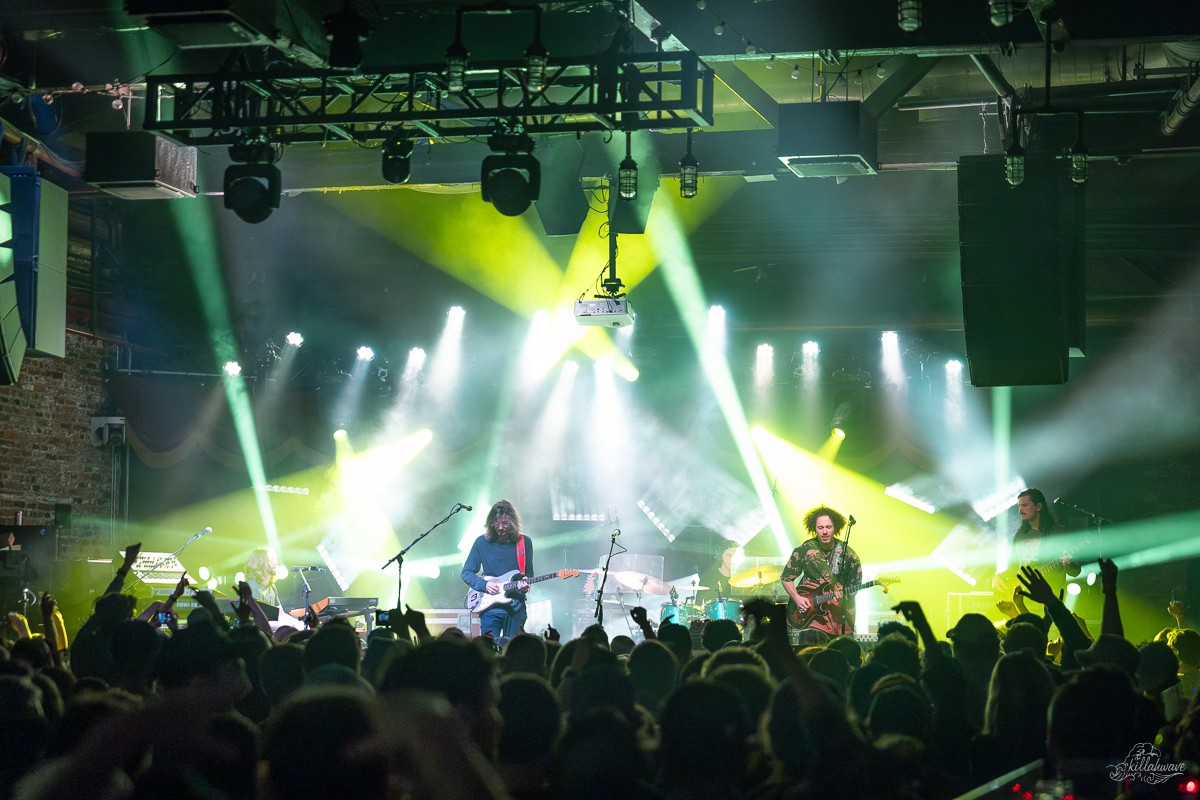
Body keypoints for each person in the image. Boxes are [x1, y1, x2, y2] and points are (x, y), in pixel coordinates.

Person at [779, 506, 862, 638]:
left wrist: (844, 595)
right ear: (814, 529)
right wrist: (797, 598)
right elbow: (786, 578)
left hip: (838, 619)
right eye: (820, 527)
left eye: (828, 527)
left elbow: (855, 585)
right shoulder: (804, 549)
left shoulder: (849, 555)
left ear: (835, 528)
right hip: (812, 618)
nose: (824, 531)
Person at [460, 499, 532, 642]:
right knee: (488, 650)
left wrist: (525, 586)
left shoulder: (524, 542)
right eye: (496, 523)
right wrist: (484, 585)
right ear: (490, 523)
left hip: (516, 607)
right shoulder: (481, 542)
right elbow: (466, 572)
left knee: (513, 652)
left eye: (505, 523)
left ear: (512, 522)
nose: (500, 527)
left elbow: (528, 574)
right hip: (490, 609)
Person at [994, 488, 1079, 596]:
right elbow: (1014, 567)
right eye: (1019, 506)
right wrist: (998, 576)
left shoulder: (1059, 532)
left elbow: (1075, 572)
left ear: (1038, 506)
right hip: (1025, 599)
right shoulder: (1020, 535)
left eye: (1024, 505)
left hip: (1052, 599)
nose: (1020, 510)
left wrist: (1069, 564)